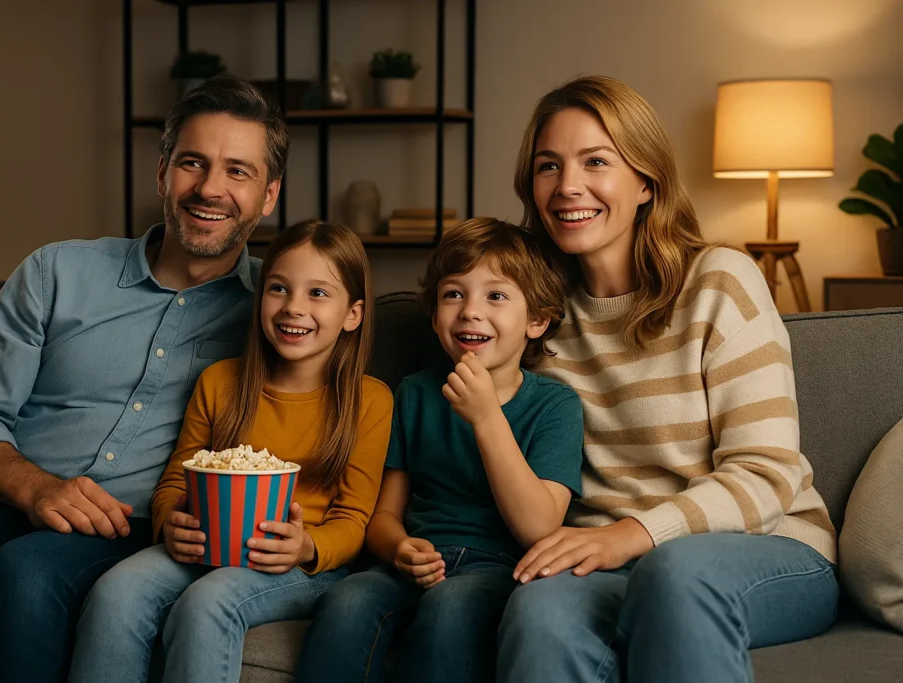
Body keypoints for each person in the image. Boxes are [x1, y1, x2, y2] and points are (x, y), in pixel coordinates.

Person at [0, 75, 286, 683]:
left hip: (129, 528)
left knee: (28, 573)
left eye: (238, 171)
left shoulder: (280, 314)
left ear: (269, 195)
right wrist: (34, 487)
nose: (209, 189)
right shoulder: (56, 271)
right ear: (161, 173)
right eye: (192, 163)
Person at [497, 75, 839, 683]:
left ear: (646, 182)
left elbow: (768, 475)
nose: (568, 186)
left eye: (596, 161)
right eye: (549, 166)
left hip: (770, 548)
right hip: (607, 558)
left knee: (675, 573)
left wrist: (634, 535)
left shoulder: (719, 281)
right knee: (536, 610)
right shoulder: (533, 314)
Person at [68, 220, 394, 683]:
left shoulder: (370, 400)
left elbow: (354, 519)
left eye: (319, 293)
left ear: (353, 314)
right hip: (208, 542)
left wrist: (306, 547)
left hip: (300, 563)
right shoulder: (220, 382)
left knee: (208, 602)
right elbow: (176, 481)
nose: (294, 307)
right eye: (279, 288)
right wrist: (169, 523)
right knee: (115, 591)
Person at [294, 218, 585, 683]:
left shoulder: (555, 405)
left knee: (450, 608)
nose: (470, 311)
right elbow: (383, 516)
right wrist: (399, 548)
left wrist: (487, 417)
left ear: (537, 320)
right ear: (433, 317)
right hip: (415, 563)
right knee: (346, 601)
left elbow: (539, 527)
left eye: (496, 295)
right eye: (453, 294)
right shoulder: (414, 394)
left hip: (500, 570)